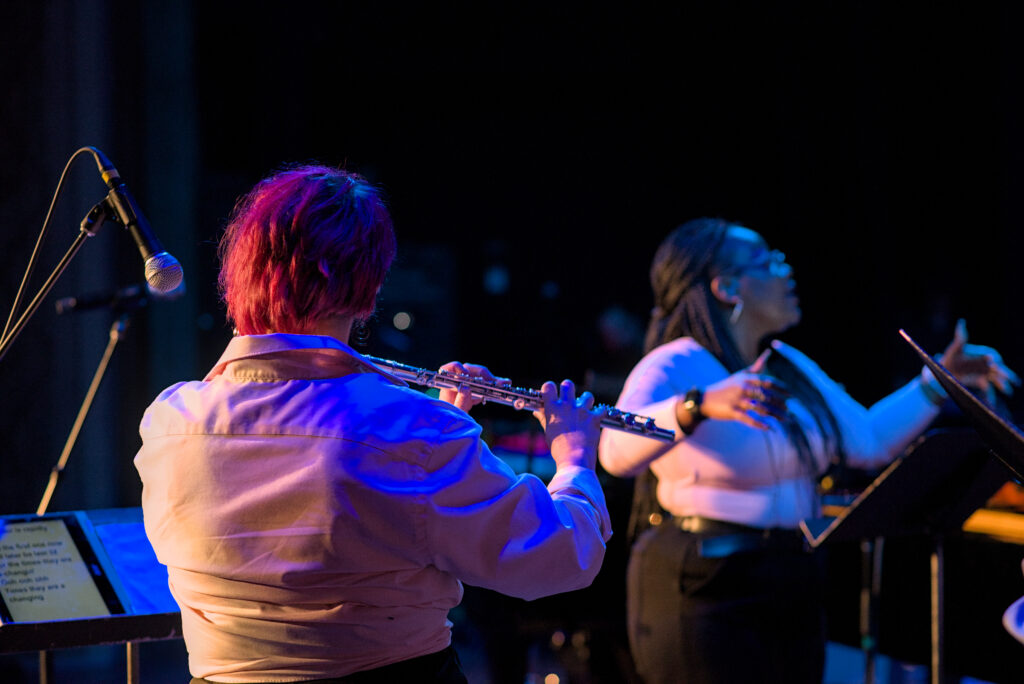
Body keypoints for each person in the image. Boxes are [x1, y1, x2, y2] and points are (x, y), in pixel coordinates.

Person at [134, 164, 612, 683]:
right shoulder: (411, 431)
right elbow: (560, 556)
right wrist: (573, 456)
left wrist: (441, 423)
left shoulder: (170, 421)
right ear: (368, 283)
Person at [598, 217, 1018, 684]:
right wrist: (697, 405)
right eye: (768, 261)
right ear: (727, 287)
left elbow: (869, 439)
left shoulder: (787, 362)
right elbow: (614, 450)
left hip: (790, 580)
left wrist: (937, 382)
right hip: (704, 586)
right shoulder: (677, 361)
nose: (786, 269)